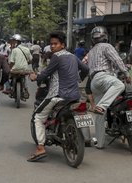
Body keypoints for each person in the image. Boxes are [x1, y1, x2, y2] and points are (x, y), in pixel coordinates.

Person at [27, 31, 89, 162]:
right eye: (51, 44)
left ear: (63, 45)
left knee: (38, 117)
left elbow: (46, 73)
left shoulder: (57, 57)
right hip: (74, 96)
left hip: (58, 95)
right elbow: (85, 69)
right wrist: (78, 80)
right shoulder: (73, 56)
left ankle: (40, 148)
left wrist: (35, 77)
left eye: (56, 44)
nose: (53, 46)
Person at [86, 26, 131, 149]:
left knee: (100, 116)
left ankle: (100, 144)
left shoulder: (91, 52)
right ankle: (102, 106)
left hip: (94, 82)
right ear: (105, 36)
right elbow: (117, 61)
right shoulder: (107, 46)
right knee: (119, 85)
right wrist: (127, 74)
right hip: (104, 77)